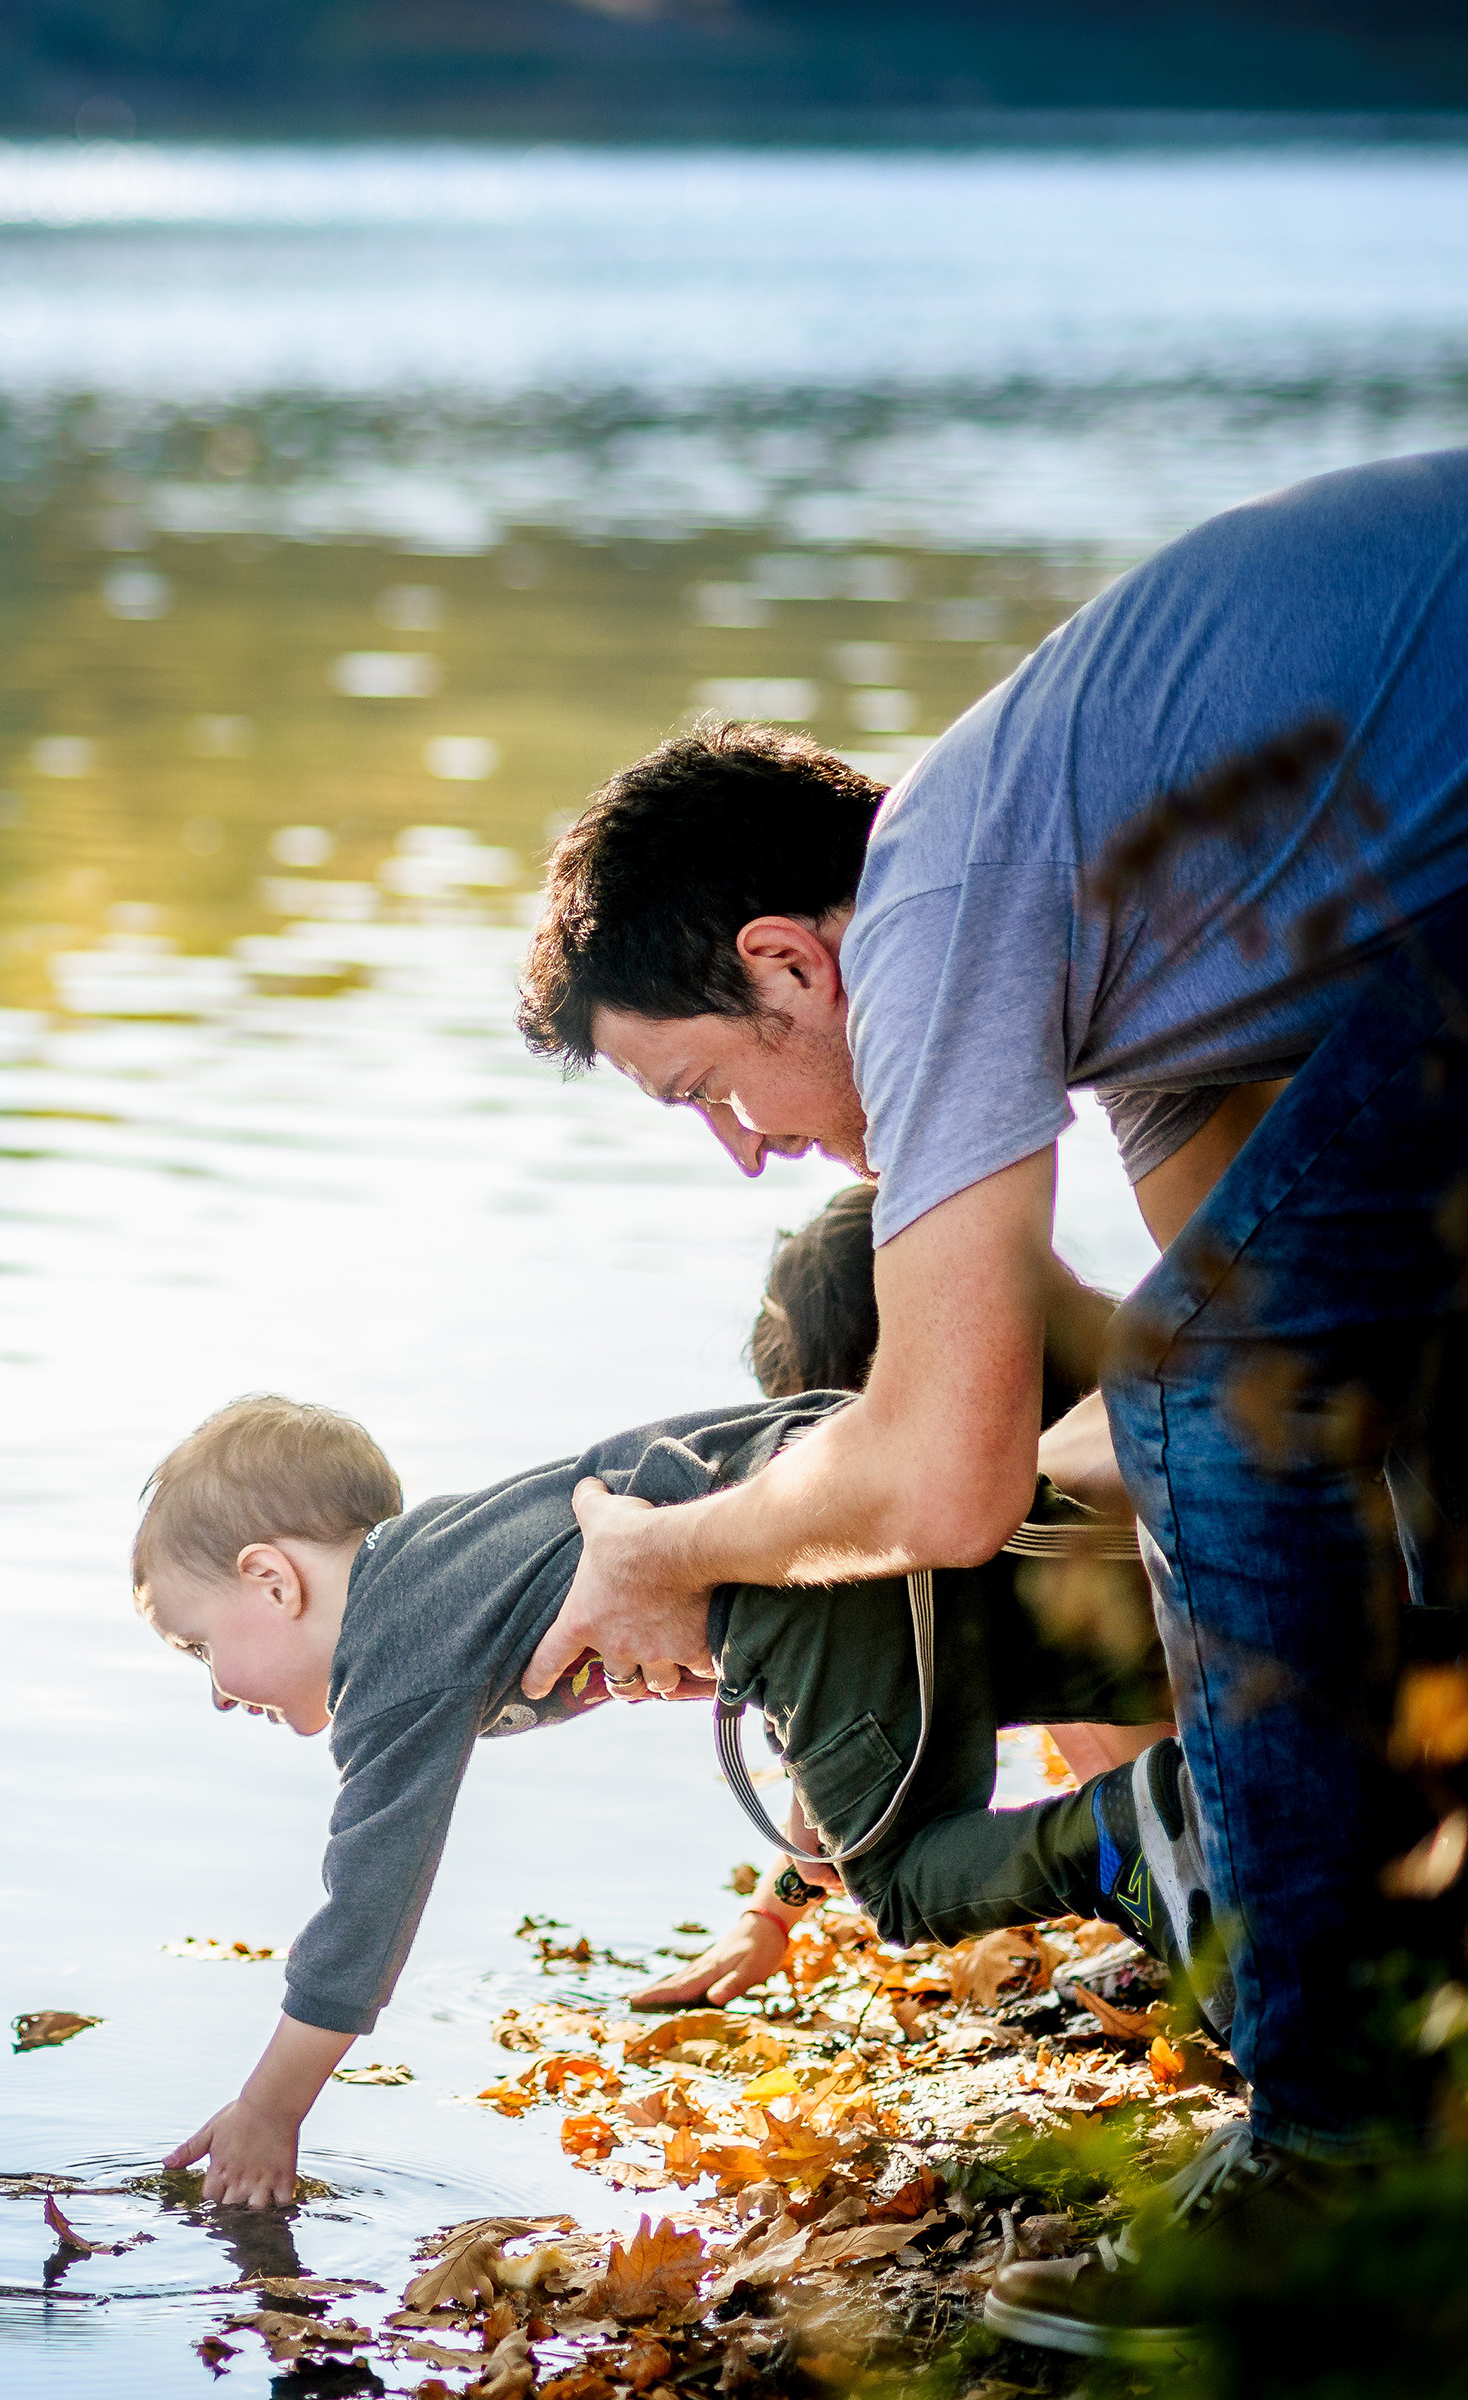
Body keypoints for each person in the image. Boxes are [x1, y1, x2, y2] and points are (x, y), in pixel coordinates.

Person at [514, 448, 1468, 2353]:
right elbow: (1272, 1414)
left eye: (706, 1087)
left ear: (792, 963)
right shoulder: (1145, 956)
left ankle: (1341, 2155)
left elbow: (976, 1473)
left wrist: (670, 1548)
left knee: (1202, 1386)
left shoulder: (941, 892)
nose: (742, 1151)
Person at [138, 1391, 1185, 2208]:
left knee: (902, 1883)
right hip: (823, 1493)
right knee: (1084, 1668)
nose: (217, 1693)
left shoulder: (392, 1656)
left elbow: (365, 1903)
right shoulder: (446, 1562)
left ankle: (1128, 1828)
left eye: (198, 1647)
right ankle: (1233, 1752)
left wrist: (270, 2113)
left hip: (805, 1558)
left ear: (273, 1580)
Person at [635, 1185, 1179, 2012]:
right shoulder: (1126, 1371)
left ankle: (1199, 1895)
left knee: (1013, 1646)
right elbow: (862, 1691)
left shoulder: (1021, 1509)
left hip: (1266, 1740)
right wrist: (773, 1911)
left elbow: (874, 1681)